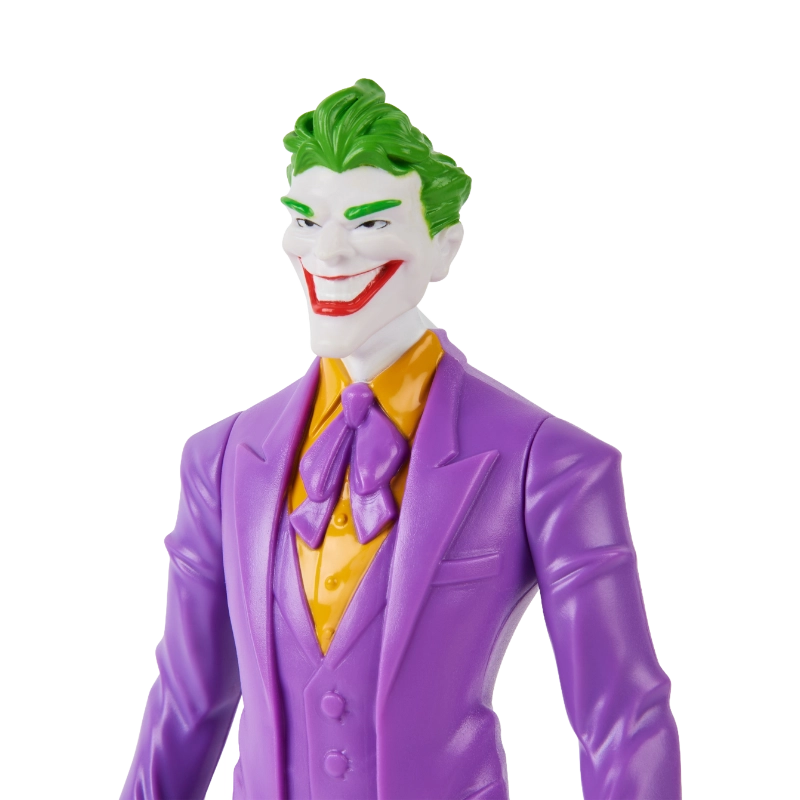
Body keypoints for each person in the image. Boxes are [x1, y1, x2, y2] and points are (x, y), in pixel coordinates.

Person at [122, 78, 681, 799]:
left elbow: (623, 721)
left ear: (444, 246)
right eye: (306, 219)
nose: (330, 252)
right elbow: (185, 708)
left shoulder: (546, 462)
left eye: (370, 222)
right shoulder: (221, 459)